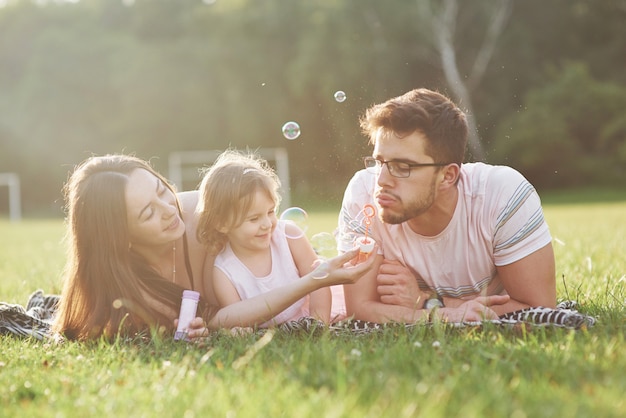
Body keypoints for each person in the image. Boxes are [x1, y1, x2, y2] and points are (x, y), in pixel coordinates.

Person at [52, 154, 375, 340]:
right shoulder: (128, 286)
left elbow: (279, 247)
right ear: (120, 236)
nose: (169, 209)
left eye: (162, 191)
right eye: (148, 212)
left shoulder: (206, 216)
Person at [338, 88, 556, 324]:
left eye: (403, 167)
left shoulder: (501, 195)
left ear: (448, 175)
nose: (380, 180)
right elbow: (359, 308)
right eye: (379, 162)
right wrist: (445, 316)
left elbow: (539, 308)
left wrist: (425, 302)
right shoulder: (362, 193)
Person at [196, 150, 336, 328]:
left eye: (270, 212)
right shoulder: (225, 271)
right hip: (269, 333)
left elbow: (320, 281)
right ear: (222, 223)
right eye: (254, 219)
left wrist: (318, 323)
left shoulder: (288, 237)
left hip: (306, 319)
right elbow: (237, 317)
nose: (267, 224)